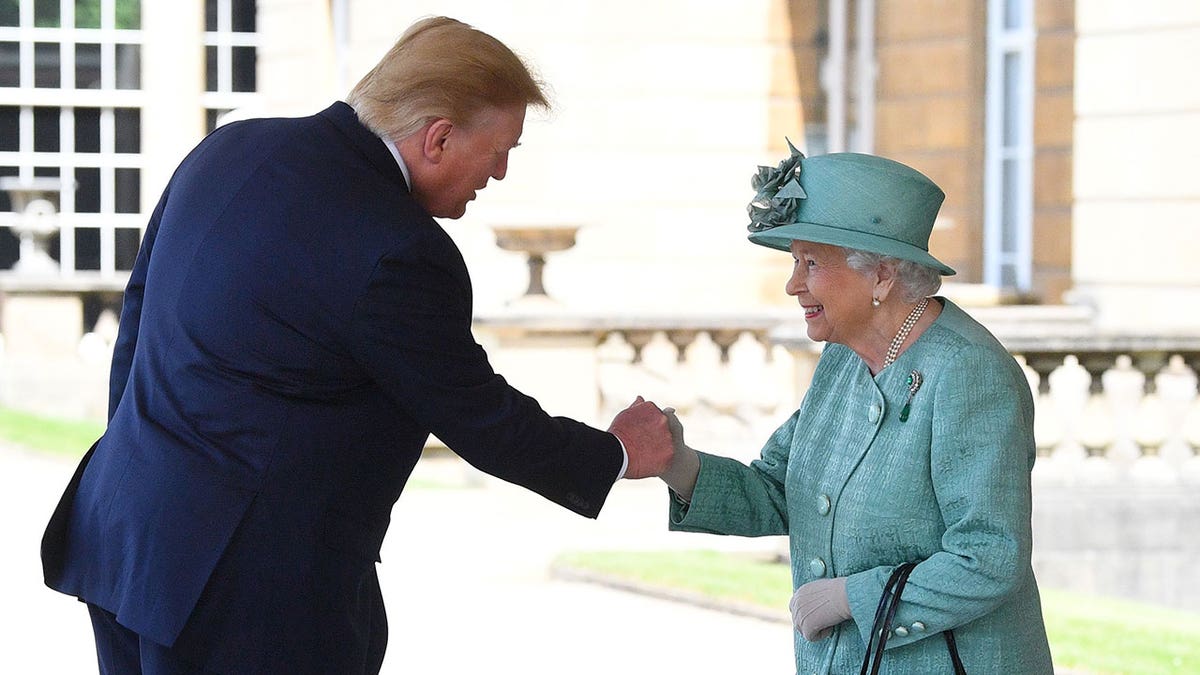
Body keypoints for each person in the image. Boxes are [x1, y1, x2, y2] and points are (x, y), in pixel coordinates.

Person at [40, 16, 673, 674]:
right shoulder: (401, 248)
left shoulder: (228, 149)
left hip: (122, 532)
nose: (503, 172)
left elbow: (136, 324)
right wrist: (620, 451)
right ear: (439, 137)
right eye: (501, 149)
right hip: (249, 593)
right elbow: (480, 418)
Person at [657, 143, 1054, 673]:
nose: (792, 284)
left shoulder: (968, 374)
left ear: (882, 276)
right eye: (796, 261)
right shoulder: (843, 359)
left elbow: (988, 559)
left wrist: (852, 598)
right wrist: (675, 463)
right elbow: (782, 489)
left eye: (812, 262)